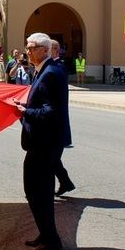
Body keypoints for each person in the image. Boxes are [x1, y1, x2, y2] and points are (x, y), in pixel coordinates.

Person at [13, 33, 73, 250]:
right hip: (42, 142)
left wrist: (25, 111)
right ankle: (47, 234)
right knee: (37, 190)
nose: (27, 51)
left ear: (45, 50)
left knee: (38, 191)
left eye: (32, 48)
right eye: (27, 47)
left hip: (45, 143)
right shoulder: (44, 71)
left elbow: (51, 112)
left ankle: (50, 239)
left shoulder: (50, 73)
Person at [50, 39, 75, 198]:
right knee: (52, 160)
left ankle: (63, 183)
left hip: (56, 125)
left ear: (55, 51)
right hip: (55, 125)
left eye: (47, 49)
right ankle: (65, 182)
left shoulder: (57, 68)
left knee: (50, 160)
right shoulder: (52, 67)